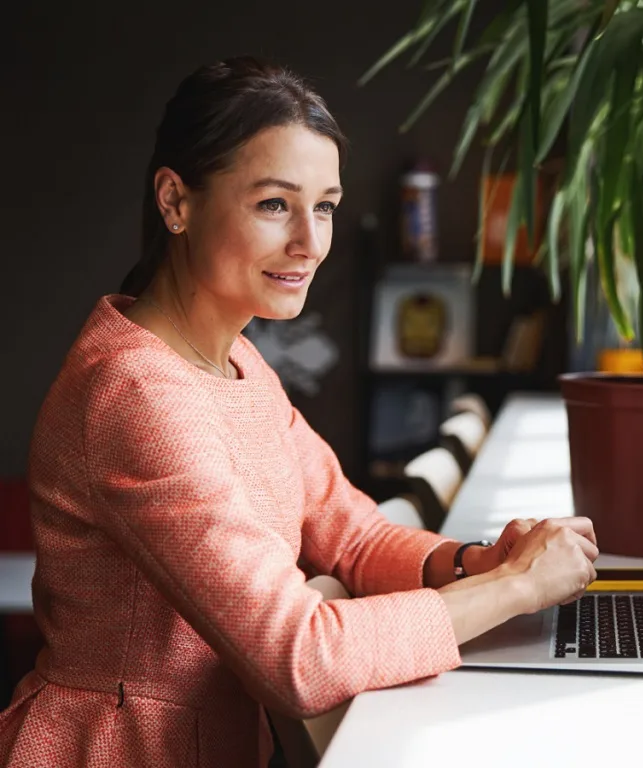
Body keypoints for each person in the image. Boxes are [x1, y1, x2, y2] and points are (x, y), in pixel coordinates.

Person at [0, 57, 598, 767]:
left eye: (325, 207)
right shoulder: (136, 396)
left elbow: (356, 538)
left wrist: (475, 561)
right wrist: (515, 587)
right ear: (176, 202)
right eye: (274, 205)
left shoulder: (238, 361)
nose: (310, 243)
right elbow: (299, 656)